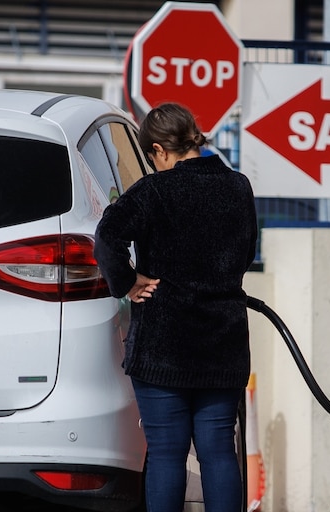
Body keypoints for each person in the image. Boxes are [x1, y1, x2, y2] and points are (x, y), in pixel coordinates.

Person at [94, 102, 257, 512]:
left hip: (164, 344)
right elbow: (245, 252)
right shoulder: (238, 187)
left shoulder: (154, 191)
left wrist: (128, 282)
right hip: (223, 339)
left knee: (167, 453)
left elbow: (106, 237)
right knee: (218, 450)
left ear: (159, 150)